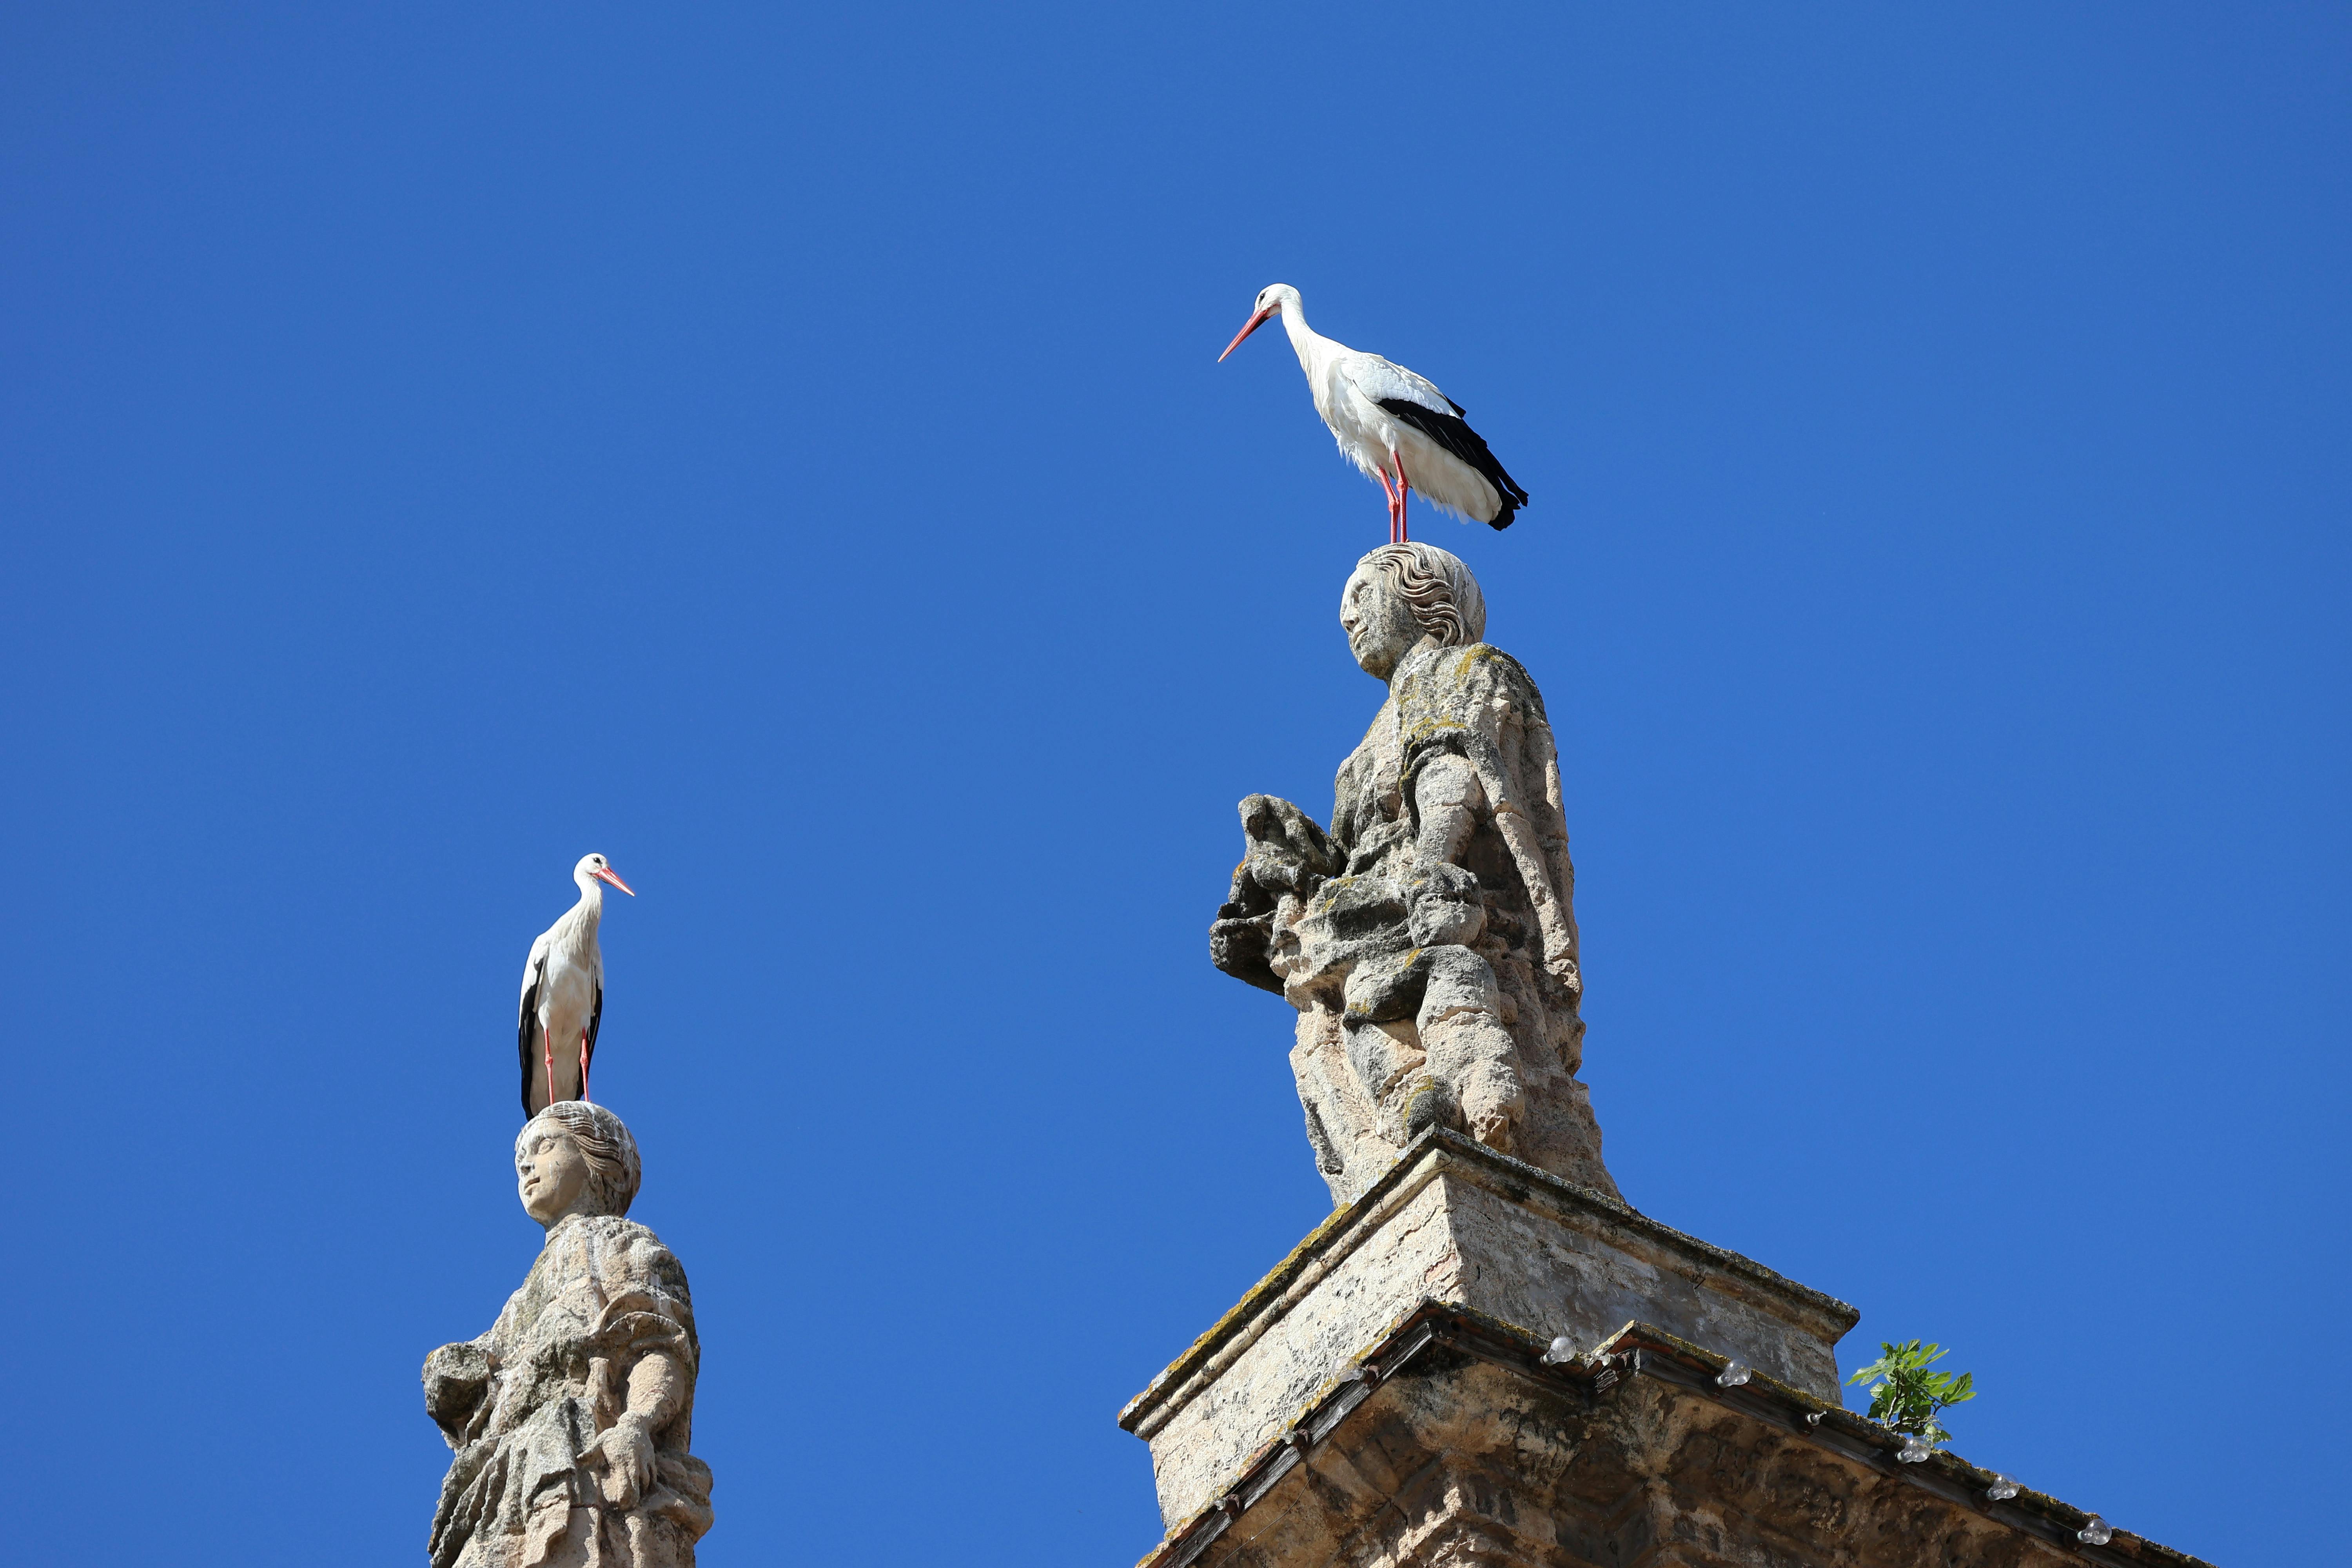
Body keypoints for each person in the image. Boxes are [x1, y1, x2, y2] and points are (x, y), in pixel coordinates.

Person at [1212, 543, 1618, 1207]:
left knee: (1426, 979)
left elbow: (1455, 769)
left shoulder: (1468, 671)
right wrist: (1287, 868)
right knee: (1363, 1006)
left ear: (1423, 595)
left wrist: (1431, 863)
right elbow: (1347, 852)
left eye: (1361, 593)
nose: (1346, 616)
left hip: (1433, 893)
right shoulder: (1362, 748)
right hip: (1366, 911)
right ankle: (1417, 1101)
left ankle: (1475, 1085)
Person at [423, 1102, 713, 1568]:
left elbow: (657, 1344)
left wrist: (637, 1422)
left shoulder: (622, 1244)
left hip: (583, 1458)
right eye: (520, 1155)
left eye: (545, 1145)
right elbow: (482, 1395)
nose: (526, 1163)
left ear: (603, 1163)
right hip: (507, 1483)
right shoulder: (518, 1303)